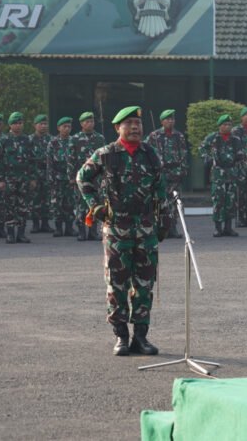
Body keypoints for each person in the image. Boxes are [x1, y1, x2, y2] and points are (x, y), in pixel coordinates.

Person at [77, 106, 169, 356]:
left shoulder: (150, 154)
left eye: (138, 123)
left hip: (146, 231)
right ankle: (121, 337)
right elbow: (82, 179)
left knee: (144, 284)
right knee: (117, 284)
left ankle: (141, 336)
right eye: (129, 123)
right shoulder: (105, 154)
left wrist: (164, 219)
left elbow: (160, 189)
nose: (136, 128)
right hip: (117, 231)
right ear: (118, 128)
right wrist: (95, 206)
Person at [145, 109, 189, 237]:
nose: (170, 121)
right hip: (160, 173)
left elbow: (184, 154)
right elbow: (146, 151)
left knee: (174, 202)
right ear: (162, 121)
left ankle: (173, 228)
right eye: (167, 119)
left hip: (175, 173)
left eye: (172, 119)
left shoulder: (178, 136)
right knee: (158, 201)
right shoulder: (154, 136)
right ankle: (159, 227)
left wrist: (181, 171)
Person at [199, 114, 245, 237]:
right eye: (225, 124)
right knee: (218, 201)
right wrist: (208, 158)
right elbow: (202, 148)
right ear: (220, 126)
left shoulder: (235, 139)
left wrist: (240, 171)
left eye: (229, 124)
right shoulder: (213, 138)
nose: (227, 127)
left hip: (231, 172)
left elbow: (241, 156)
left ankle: (228, 227)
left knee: (231, 201)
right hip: (218, 173)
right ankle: (218, 228)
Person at [0, 112, 38, 243]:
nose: (18, 125)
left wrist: (33, 178)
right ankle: (10, 234)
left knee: (23, 207)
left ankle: (21, 233)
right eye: (15, 123)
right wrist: (1, 179)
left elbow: (33, 160)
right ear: (10, 125)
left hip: (24, 179)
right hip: (9, 179)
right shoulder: (4, 140)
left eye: (20, 123)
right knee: (9, 206)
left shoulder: (28, 140)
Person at [68, 111, 106, 241]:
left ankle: (93, 231)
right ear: (81, 124)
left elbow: (104, 158)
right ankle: (81, 231)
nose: (90, 124)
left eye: (92, 121)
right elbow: (70, 159)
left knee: (95, 202)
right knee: (80, 203)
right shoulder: (75, 139)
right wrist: (72, 177)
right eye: (87, 122)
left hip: (96, 177)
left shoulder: (100, 138)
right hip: (81, 176)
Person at [47, 117, 77, 237]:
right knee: (57, 204)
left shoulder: (73, 141)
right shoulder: (53, 142)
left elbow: (76, 161)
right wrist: (51, 179)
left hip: (70, 179)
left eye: (69, 126)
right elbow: (49, 163)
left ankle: (69, 227)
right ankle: (58, 228)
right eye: (64, 126)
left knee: (70, 203)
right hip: (57, 178)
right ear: (59, 128)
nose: (67, 129)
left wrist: (75, 177)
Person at [231, 106, 247, 228]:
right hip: (240, 165)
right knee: (240, 193)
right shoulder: (236, 130)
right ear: (242, 117)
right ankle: (240, 218)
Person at [29, 114, 53, 234]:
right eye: (41, 124)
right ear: (35, 125)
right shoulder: (30, 139)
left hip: (48, 173)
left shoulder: (51, 139)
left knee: (47, 199)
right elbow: (27, 159)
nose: (43, 126)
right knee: (35, 199)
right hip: (35, 173)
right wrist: (31, 177)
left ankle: (45, 223)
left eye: (45, 124)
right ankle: (35, 224)